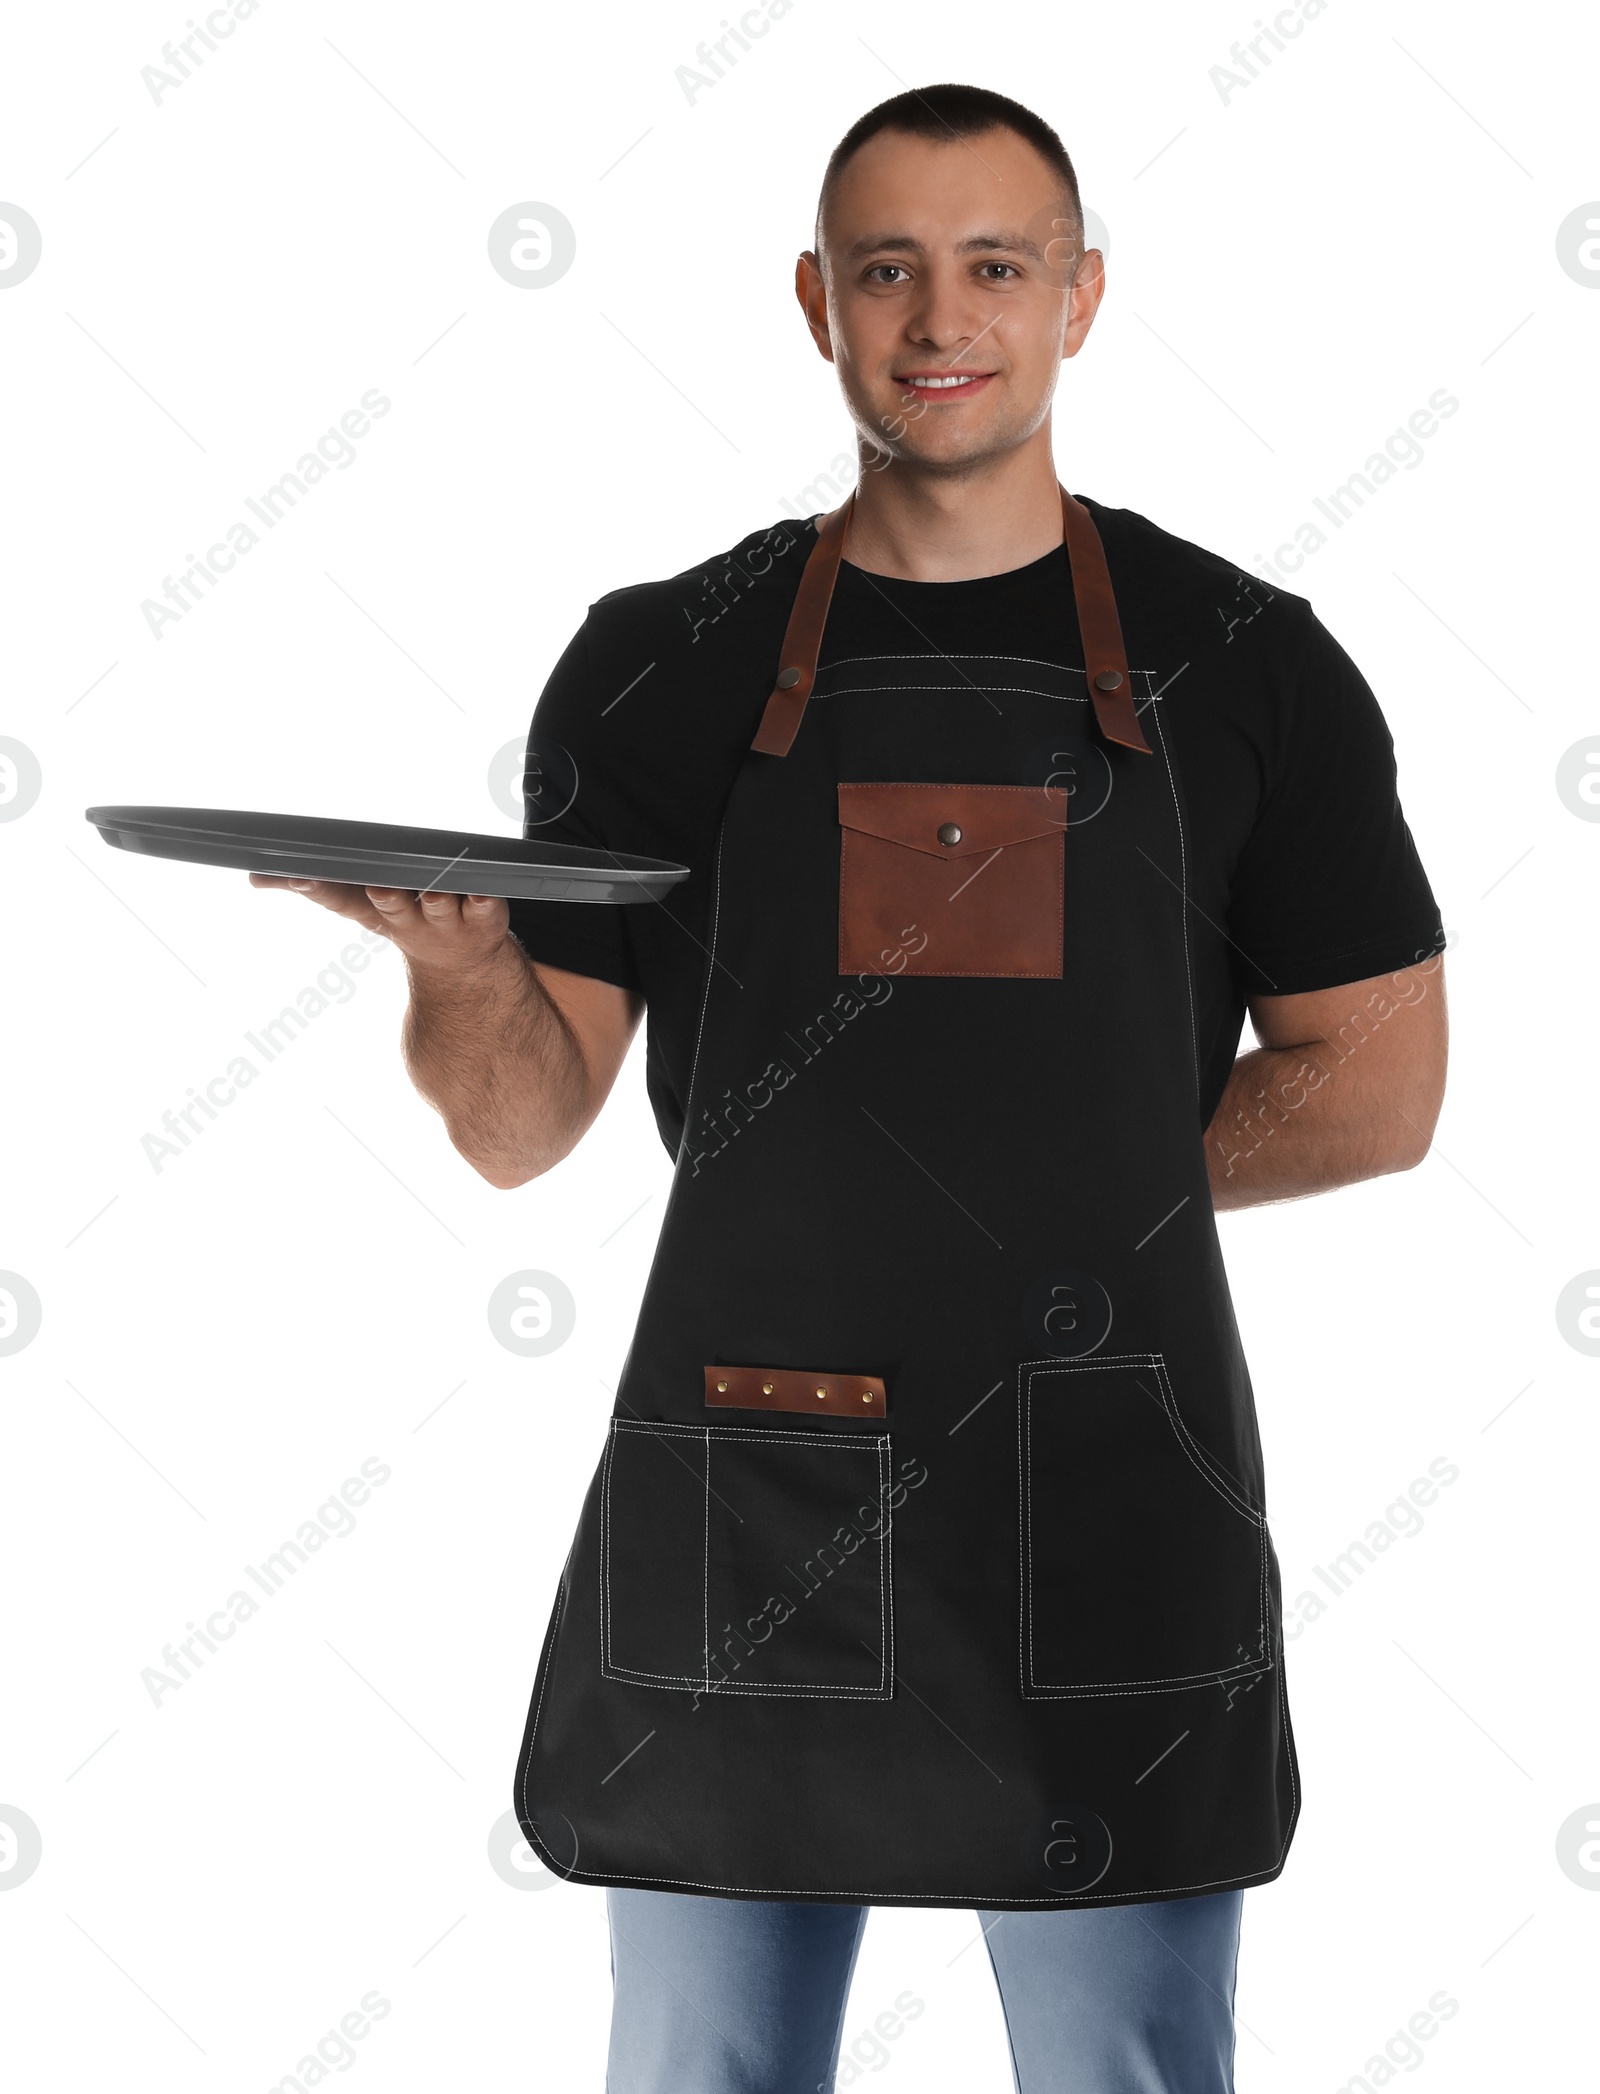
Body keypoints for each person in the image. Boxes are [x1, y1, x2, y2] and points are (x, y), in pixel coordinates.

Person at [255, 82, 1448, 2094]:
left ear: (1078, 297)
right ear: (815, 302)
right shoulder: (662, 662)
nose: (938, 317)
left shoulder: (1245, 662)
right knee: (701, 2072)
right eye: (885, 269)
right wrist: (460, 974)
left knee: (1125, 2073)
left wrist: (1063, 1200)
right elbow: (521, 1119)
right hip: (750, 1489)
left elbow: (1373, 1084)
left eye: (992, 265)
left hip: (1099, 1484)